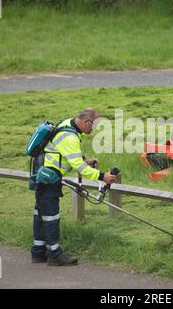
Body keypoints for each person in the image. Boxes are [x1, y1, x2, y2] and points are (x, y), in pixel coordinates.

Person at [31, 108, 117, 266]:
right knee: (51, 216)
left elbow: (67, 154)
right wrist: (102, 176)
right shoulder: (70, 137)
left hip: (41, 172)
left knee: (40, 213)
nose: (93, 130)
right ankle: (54, 255)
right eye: (93, 126)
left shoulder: (66, 123)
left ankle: (38, 252)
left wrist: (85, 160)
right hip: (50, 177)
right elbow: (78, 167)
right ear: (86, 122)